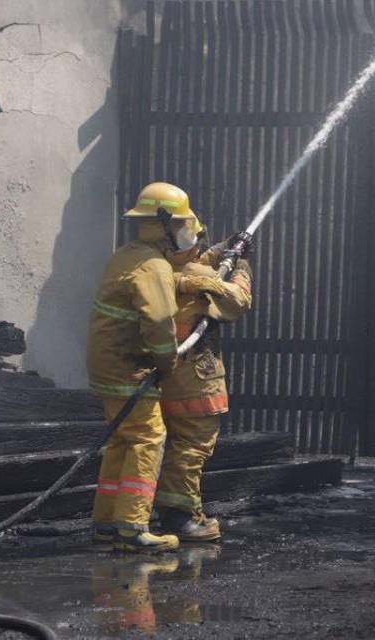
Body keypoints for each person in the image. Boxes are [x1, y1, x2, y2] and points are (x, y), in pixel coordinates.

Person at [87, 181, 204, 553]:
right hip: (128, 367)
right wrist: (167, 361)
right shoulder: (153, 265)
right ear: (164, 223)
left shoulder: (128, 255)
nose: (187, 231)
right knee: (148, 438)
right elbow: (159, 321)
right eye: (183, 223)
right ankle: (132, 528)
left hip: (107, 364)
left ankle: (106, 524)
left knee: (121, 441)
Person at [154, 248, 253, 542]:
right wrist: (242, 266)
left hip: (167, 375)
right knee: (192, 446)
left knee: (172, 446)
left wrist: (227, 248)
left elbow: (197, 262)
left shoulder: (156, 269)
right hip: (195, 379)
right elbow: (238, 301)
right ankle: (179, 518)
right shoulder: (198, 277)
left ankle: (184, 512)